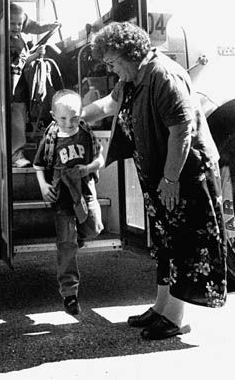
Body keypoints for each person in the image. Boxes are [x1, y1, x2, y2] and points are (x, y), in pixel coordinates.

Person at [81, 21, 227, 339]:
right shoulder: (134, 76)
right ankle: (161, 307)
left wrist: (171, 179)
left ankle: (176, 318)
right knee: (165, 243)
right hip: (161, 174)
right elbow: (110, 104)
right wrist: (77, 115)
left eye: (111, 61)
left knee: (182, 244)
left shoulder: (164, 75)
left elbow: (181, 130)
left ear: (129, 54)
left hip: (185, 175)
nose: (110, 68)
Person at [33, 89, 104, 315]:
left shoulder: (85, 133)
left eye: (74, 117)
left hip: (85, 192)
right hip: (62, 195)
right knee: (66, 244)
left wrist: (88, 168)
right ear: (54, 115)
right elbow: (38, 165)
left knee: (94, 228)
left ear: (81, 113)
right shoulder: (51, 138)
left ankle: (76, 240)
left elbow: (99, 159)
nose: (69, 123)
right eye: (63, 118)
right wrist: (44, 186)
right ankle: (70, 294)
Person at [10, 2, 60, 167]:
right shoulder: (6, 41)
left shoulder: (18, 38)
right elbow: (18, 63)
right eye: (12, 24)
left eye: (19, 24)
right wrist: (34, 56)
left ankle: (16, 153)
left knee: (18, 120)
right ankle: (16, 155)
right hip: (11, 91)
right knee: (16, 121)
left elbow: (34, 26)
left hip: (19, 89)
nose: (16, 27)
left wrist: (50, 26)